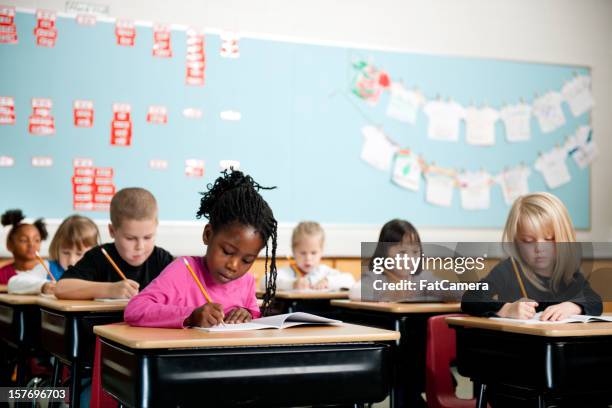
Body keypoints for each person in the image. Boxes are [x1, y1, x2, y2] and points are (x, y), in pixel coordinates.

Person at [124, 170, 278, 328]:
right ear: (208, 234)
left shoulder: (246, 281)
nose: (233, 265)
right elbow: (135, 309)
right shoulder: (183, 270)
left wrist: (247, 313)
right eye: (227, 251)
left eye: (247, 260)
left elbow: (254, 315)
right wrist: (190, 316)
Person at [462, 192, 602, 320]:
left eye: (549, 238)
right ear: (516, 242)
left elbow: (595, 301)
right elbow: (471, 298)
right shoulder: (509, 270)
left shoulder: (568, 273)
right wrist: (506, 309)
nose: (539, 248)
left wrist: (573, 306)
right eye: (528, 241)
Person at [55, 187, 173, 299]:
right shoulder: (99, 256)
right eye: (130, 238)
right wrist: (110, 289)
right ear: (112, 231)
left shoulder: (162, 259)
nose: (140, 247)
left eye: (148, 237)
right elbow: (61, 288)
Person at [7, 214, 99, 294]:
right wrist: (43, 286)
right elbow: (13, 283)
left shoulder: (98, 270)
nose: (72, 260)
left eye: (79, 254)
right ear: (57, 248)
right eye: (66, 253)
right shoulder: (47, 268)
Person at [273, 221, 354, 291]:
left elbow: (350, 280)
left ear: (321, 251)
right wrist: (292, 284)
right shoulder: (287, 273)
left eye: (314, 253)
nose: (308, 258)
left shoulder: (324, 272)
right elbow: (264, 281)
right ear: (293, 251)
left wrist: (328, 281)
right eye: (303, 253)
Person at [0, 209, 51, 293]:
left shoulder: (49, 270)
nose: (31, 244)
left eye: (37, 240)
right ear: (9, 244)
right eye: (24, 240)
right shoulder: (2, 274)